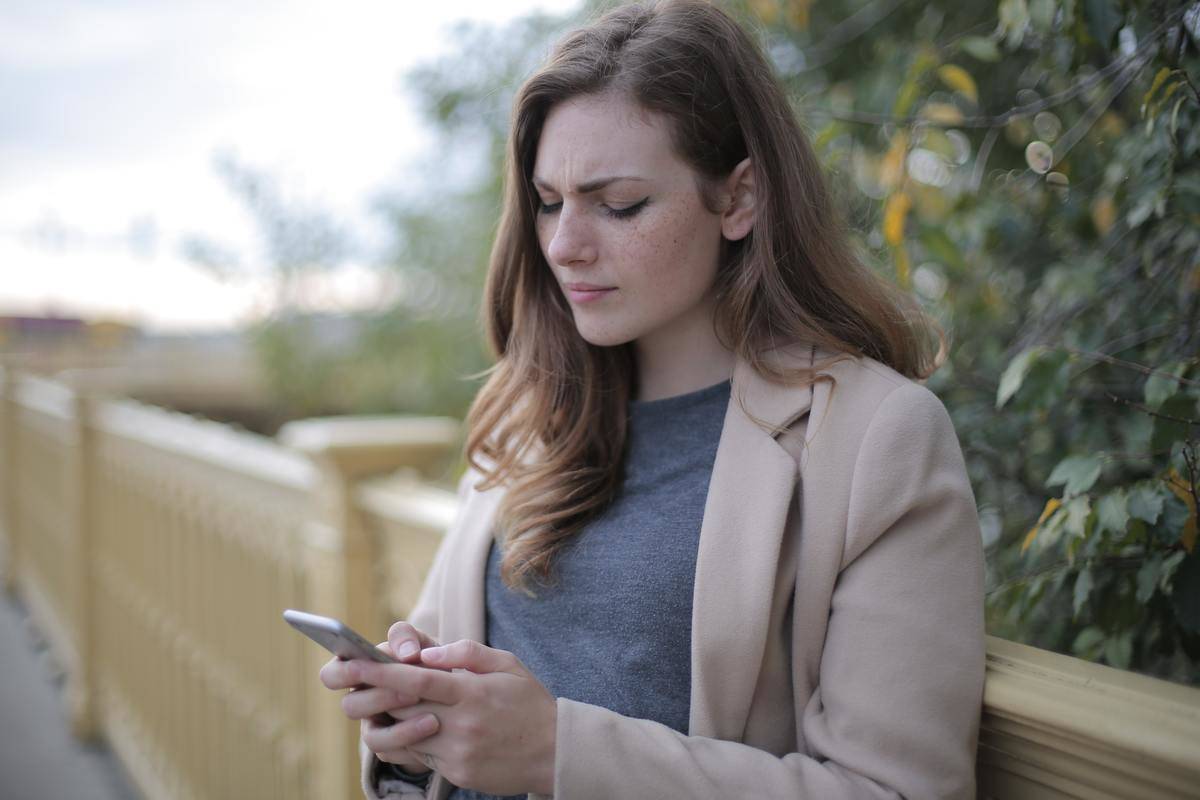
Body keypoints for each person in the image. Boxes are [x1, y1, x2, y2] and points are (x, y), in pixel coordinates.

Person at [320, 1, 986, 797]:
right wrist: (414, 723)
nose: (566, 245)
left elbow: (896, 790)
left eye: (619, 203)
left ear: (740, 199)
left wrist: (557, 752)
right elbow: (449, 714)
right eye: (549, 200)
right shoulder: (533, 416)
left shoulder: (877, 440)